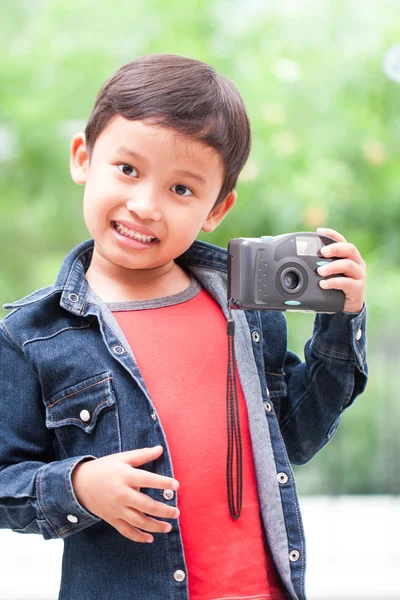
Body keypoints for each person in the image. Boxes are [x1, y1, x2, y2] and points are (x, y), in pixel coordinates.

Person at [0, 53, 368, 600]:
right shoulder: (32, 334)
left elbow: (298, 436)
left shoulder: (247, 306)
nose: (146, 205)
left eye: (181, 190)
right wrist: (77, 486)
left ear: (218, 208)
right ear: (83, 157)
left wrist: (342, 322)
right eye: (127, 169)